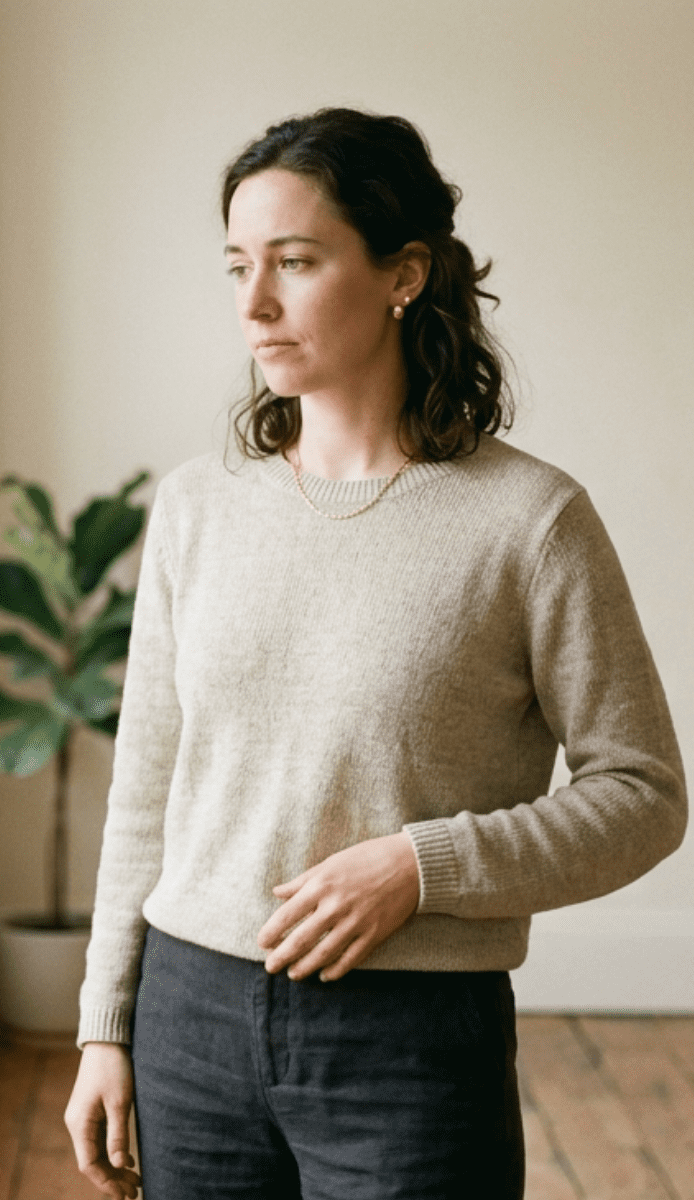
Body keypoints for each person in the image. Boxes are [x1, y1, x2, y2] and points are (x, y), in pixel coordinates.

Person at [64, 108, 687, 1199]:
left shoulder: (530, 522)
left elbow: (644, 794)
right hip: (189, 1024)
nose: (254, 305)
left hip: (408, 1040)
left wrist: (422, 867)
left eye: (296, 263)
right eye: (237, 266)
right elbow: (146, 786)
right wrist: (104, 1028)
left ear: (404, 273)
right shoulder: (198, 507)